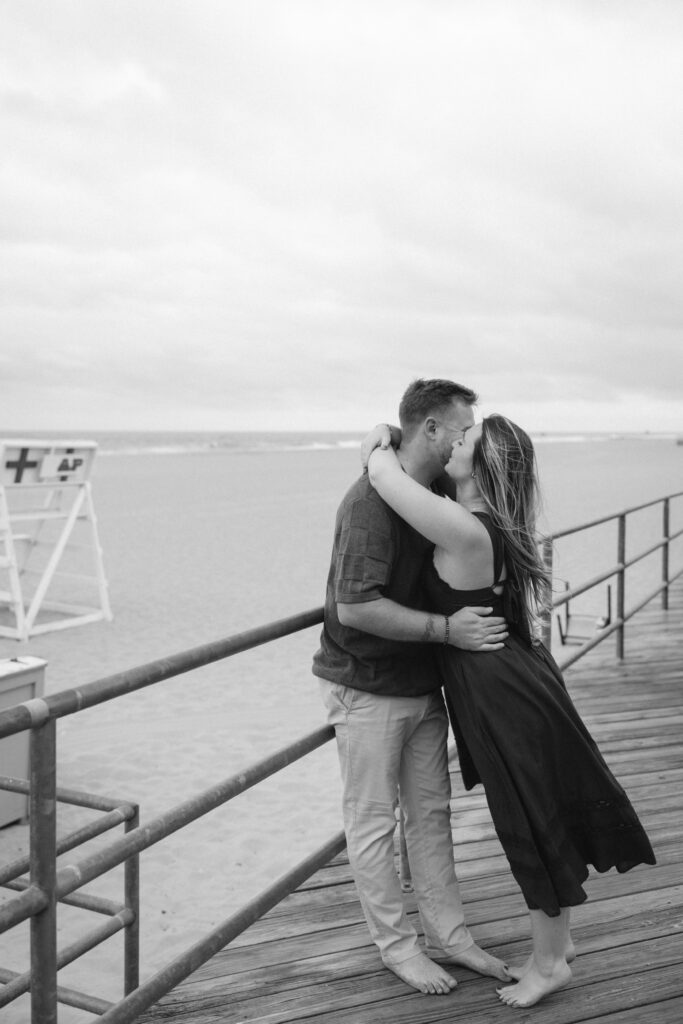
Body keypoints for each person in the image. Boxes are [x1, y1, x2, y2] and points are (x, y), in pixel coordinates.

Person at [365, 410, 657, 1008]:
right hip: (510, 681)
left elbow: (386, 481)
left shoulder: (469, 529)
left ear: (485, 463)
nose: (454, 439)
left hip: (502, 693)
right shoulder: (486, 519)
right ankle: (560, 944)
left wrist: (379, 445)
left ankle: (550, 962)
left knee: (529, 815)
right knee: (538, 805)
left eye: (466, 437)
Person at [312, 379, 511, 996]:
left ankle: (449, 937)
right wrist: (447, 629)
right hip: (367, 686)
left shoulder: (435, 486)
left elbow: (403, 440)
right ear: (432, 430)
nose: (466, 438)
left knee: (430, 816)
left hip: (423, 683)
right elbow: (355, 608)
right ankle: (397, 949)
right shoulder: (369, 504)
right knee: (373, 823)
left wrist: (383, 434)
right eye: (461, 427)